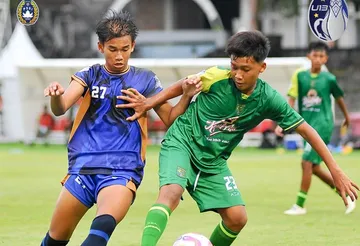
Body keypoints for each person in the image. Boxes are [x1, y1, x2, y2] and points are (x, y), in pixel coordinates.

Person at [117, 31, 359, 246]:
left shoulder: (268, 99)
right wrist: (149, 103)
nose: (238, 74)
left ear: (261, 68)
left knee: (237, 218)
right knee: (170, 193)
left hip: (213, 160)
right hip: (182, 142)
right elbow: (182, 85)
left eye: (246, 69)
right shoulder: (216, 76)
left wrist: (335, 170)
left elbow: (306, 130)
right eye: (234, 67)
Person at [40, 10, 201, 246]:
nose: (119, 56)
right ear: (100, 46)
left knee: (102, 227)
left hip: (121, 169)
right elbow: (61, 107)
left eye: (125, 49)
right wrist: (56, 95)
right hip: (83, 167)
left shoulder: (145, 80)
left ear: (133, 46)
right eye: (112, 49)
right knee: (54, 240)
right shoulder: (90, 74)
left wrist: (186, 96)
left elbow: (170, 119)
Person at [273, 41, 355, 215]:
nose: (317, 59)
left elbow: (339, 98)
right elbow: (292, 98)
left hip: (322, 125)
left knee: (306, 162)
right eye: (315, 55)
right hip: (306, 125)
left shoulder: (329, 79)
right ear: (308, 56)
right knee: (315, 168)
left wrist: (347, 117)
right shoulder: (300, 76)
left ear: (326, 59)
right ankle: (345, 194)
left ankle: (299, 205)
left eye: (321, 56)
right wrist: (283, 122)